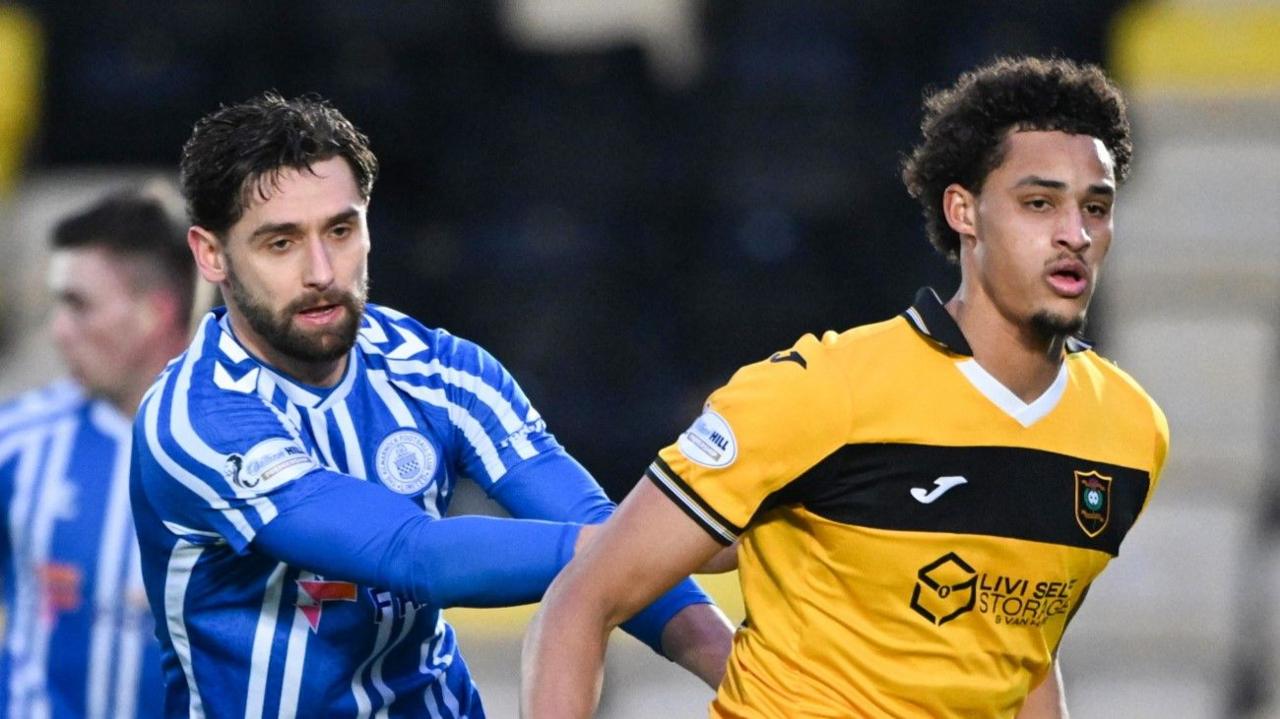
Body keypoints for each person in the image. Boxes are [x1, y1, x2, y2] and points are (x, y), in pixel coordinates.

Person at [522, 56, 1170, 718]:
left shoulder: (1129, 431)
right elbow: (584, 598)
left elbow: (1021, 655)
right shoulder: (824, 391)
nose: (1075, 234)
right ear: (963, 211)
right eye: (1040, 203)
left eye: (1097, 206)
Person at [129, 92, 733, 718]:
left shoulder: (440, 369)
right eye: (280, 244)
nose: (321, 271)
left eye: (340, 230)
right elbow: (413, 555)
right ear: (211, 254)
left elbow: (587, 519)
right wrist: (673, 536)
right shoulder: (198, 419)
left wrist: (747, 677)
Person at [0, 186, 196, 718]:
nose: (60, 333)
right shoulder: (16, 447)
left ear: (154, 313)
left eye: (78, 306)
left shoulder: (257, 460)